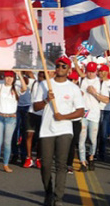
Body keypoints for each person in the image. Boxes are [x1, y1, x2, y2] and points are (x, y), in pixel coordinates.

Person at [33, 56, 84, 206]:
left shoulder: (73, 88)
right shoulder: (44, 85)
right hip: (47, 130)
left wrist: (63, 116)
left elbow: (80, 111)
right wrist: (46, 100)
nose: (60, 68)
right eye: (58, 65)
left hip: (65, 130)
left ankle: (58, 197)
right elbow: (36, 107)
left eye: (63, 66)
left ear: (69, 69)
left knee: (61, 165)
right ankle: (48, 193)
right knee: (46, 164)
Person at [0, 70, 27, 173]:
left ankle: (5, 164)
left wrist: (19, 75)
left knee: (7, 142)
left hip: (11, 118)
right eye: (7, 77)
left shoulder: (16, 88)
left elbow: (24, 88)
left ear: (13, 79)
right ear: (4, 77)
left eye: (11, 77)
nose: (9, 79)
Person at [77, 62, 103, 172]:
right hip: (83, 113)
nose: (91, 73)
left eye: (93, 71)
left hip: (94, 114)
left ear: (96, 71)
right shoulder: (82, 80)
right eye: (89, 71)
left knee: (93, 139)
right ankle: (83, 162)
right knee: (81, 138)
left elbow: (104, 98)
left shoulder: (99, 82)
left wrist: (94, 93)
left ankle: (91, 157)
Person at [24, 71, 45, 169]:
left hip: (43, 114)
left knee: (41, 138)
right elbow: (27, 76)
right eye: (40, 75)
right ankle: (29, 157)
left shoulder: (47, 85)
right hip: (31, 112)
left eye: (43, 76)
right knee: (29, 135)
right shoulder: (34, 82)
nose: (41, 77)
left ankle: (38, 158)